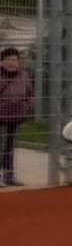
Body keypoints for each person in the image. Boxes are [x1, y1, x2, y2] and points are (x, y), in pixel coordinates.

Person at [0, 47, 31, 187]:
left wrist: (26, 108)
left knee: (9, 147)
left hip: (15, 116)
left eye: (14, 59)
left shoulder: (23, 75)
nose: (12, 62)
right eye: (9, 59)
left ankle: (9, 176)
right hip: (1, 116)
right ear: (2, 61)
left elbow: (30, 94)